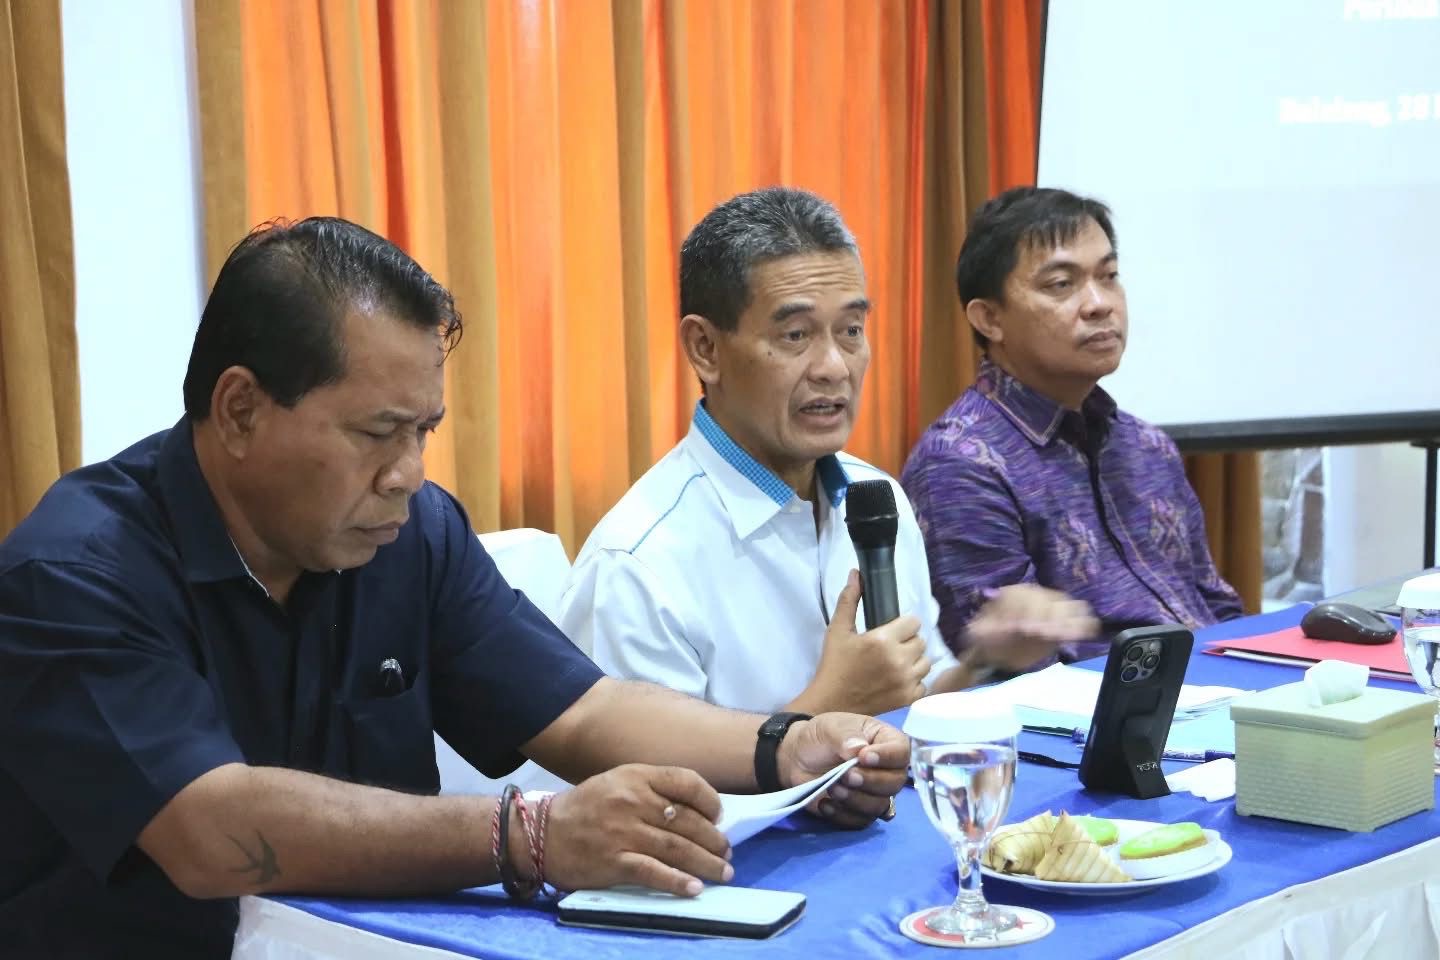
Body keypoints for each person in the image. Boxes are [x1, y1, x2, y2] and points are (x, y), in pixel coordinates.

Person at [0, 218, 910, 958]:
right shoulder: (75, 575)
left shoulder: (411, 532)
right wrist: (532, 836)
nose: (409, 472)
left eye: (425, 431)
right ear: (240, 410)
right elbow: (207, 831)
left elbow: (582, 711)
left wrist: (784, 746)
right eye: (378, 433)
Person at [558, 188, 1096, 717]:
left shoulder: (877, 500)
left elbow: (915, 704)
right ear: (706, 348)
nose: (835, 368)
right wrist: (827, 711)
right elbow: (644, 778)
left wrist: (985, 660)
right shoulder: (637, 565)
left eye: (851, 331)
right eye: (796, 335)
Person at [901, 186, 1243, 664]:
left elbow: (1218, 608)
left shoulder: (1147, 446)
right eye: (1062, 284)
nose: (1100, 304)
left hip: (1218, 687)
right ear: (989, 319)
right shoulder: (960, 465)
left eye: (1109, 276)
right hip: (1111, 705)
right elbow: (1006, 671)